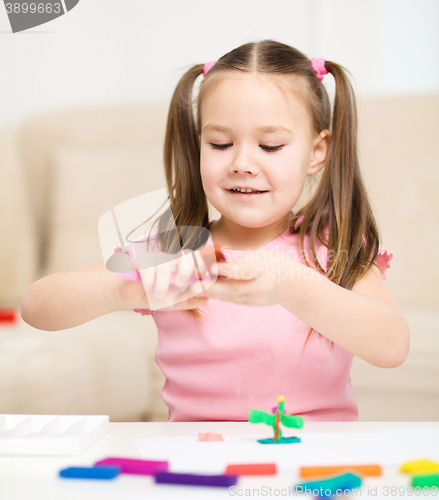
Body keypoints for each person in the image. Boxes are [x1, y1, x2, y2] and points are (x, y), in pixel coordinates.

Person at [21, 40, 410, 422]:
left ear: (316, 152)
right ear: (198, 145)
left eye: (270, 146)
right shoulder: (178, 252)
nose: (242, 162)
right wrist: (123, 287)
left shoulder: (329, 246)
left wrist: (295, 287)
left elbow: (392, 346)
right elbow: (38, 308)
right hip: (197, 463)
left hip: (312, 461)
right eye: (220, 143)